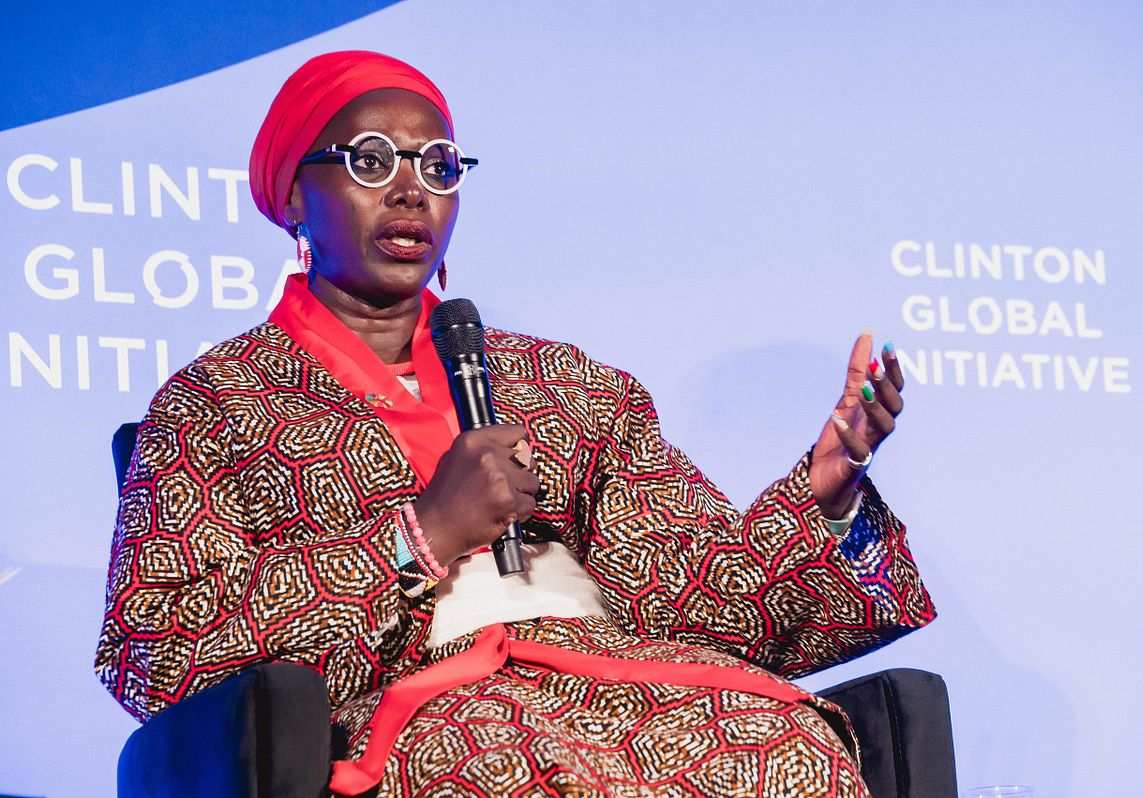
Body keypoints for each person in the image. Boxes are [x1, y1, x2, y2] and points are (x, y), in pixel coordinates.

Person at [96, 51, 935, 797]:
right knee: (502, 765)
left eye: (437, 166)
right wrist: (424, 535)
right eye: (370, 160)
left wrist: (826, 490)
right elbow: (160, 647)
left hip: (624, 684)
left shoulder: (568, 383)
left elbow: (697, 602)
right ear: (292, 195)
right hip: (429, 705)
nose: (411, 189)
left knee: (789, 748)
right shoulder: (216, 401)